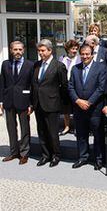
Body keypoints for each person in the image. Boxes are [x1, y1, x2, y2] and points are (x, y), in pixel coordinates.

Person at [68, 44, 107, 170]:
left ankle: (98, 159)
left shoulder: (101, 68)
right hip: (79, 108)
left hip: (95, 108)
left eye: (87, 54)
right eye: (83, 54)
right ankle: (83, 157)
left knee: (98, 135)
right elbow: (70, 87)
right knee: (81, 134)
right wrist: (77, 100)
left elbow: (101, 88)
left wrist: (89, 102)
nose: (85, 56)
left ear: (92, 54)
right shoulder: (75, 69)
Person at [32, 39, 68, 167]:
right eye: (39, 51)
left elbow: (64, 86)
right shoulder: (36, 65)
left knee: (53, 132)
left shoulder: (59, 66)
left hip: (52, 104)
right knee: (41, 131)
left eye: (43, 51)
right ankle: (45, 155)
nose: (40, 53)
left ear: (50, 50)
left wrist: (63, 105)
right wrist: (32, 104)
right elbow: (34, 85)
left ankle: (56, 155)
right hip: (38, 104)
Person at [0, 41, 34, 165]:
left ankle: (24, 153)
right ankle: (14, 152)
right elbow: (2, 83)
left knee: (25, 128)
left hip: (24, 101)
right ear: (11, 50)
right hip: (9, 101)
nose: (18, 52)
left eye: (20, 49)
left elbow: (32, 85)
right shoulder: (5, 64)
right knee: (11, 127)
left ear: (23, 50)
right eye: (15, 49)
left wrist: (31, 104)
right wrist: (1, 101)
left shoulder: (30, 65)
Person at [58, 39, 80, 135]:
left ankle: (77, 127)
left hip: (76, 87)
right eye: (72, 49)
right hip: (64, 87)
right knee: (66, 108)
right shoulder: (61, 59)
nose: (74, 51)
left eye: (76, 49)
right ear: (67, 49)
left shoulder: (79, 59)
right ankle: (67, 126)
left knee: (76, 108)